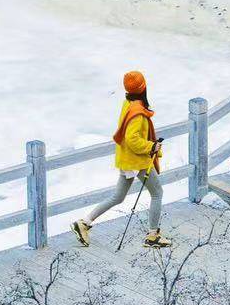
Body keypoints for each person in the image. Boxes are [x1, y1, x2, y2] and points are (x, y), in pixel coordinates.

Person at [72, 69, 171, 249]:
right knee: (157, 194)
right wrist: (151, 146)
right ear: (143, 88)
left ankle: (84, 223)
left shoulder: (128, 103)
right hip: (137, 161)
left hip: (127, 160)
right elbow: (132, 139)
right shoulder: (138, 112)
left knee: (117, 197)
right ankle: (153, 235)